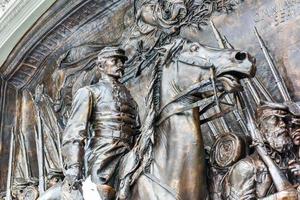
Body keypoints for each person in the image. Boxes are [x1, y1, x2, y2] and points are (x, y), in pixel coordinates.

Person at [61, 47, 140, 200]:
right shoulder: (89, 92)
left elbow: (136, 128)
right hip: (103, 153)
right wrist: (74, 166)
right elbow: (75, 131)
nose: (120, 65)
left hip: (130, 151)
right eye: (115, 61)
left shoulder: (129, 96)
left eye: (122, 61)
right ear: (101, 66)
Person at [223, 102, 297, 199]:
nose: (283, 124)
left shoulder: (289, 160)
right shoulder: (246, 167)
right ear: (261, 129)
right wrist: (277, 197)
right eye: (275, 119)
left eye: (284, 120)